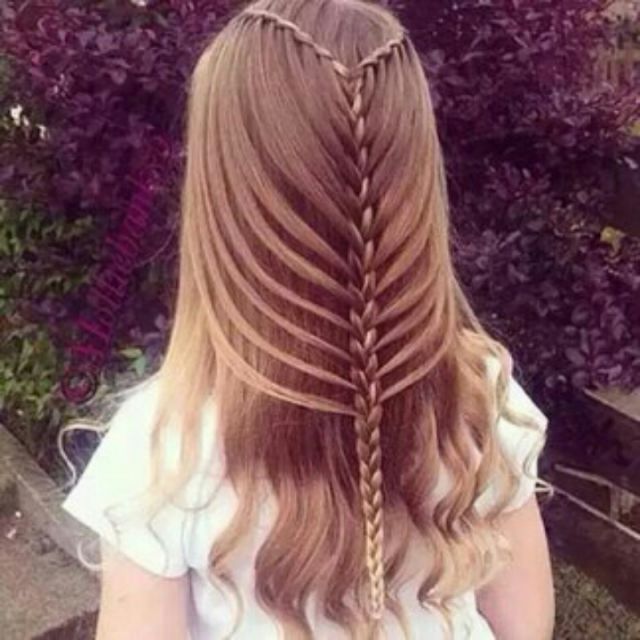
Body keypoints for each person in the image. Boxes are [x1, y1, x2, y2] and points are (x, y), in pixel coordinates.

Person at [60, 1, 555, 638]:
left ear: (221, 201)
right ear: (412, 181)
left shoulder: (162, 446)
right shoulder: (479, 396)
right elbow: (524, 622)